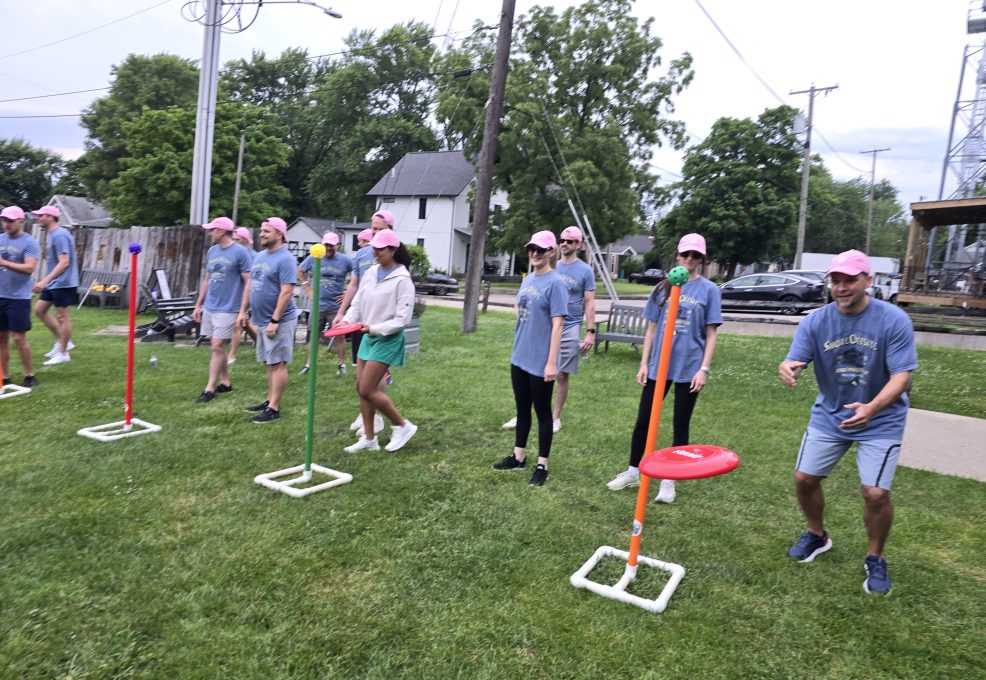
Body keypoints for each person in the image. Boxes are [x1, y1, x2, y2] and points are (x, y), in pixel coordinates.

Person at [778, 249, 917, 595]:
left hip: (881, 417)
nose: (841, 287)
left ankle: (875, 558)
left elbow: (902, 377)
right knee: (804, 479)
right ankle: (817, 535)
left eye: (850, 280)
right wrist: (789, 366)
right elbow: (795, 357)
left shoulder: (893, 320)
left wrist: (871, 407)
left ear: (867, 281)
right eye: (835, 281)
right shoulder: (815, 321)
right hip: (831, 415)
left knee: (875, 493)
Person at [606, 233, 722, 503]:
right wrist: (644, 363)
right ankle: (634, 471)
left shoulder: (709, 290)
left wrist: (703, 369)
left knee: (680, 424)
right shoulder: (662, 288)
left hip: (689, 367)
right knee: (644, 421)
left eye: (695, 256)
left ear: (701, 260)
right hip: (659, 366)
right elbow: (651, 328)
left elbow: (712, 333)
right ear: (677, 256)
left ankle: (670, 480)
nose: (690, 260)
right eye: (685, 255)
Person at [491, 230, 567, 486]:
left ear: (551, 252)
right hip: (520, 355)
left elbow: (558, 325)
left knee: (543, 413)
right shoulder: (528, 279)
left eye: (541, 249)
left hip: (540, 360)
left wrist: (551, 362)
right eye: (532, 249)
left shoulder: (556, 283)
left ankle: (542, 465)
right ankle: (518, 456)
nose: (535, 253)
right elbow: (520, 307)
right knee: (522, 409)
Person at [502, 226, 595, 434]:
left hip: (569, 325)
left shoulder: (585, 271)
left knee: (561, 374)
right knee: (531, 369)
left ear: (578, 245)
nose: (565, 243)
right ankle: (523, 413)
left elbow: (589, 302)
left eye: (570, 241)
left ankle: (555, 417)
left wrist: (590, 331)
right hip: (544, 325)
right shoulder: (550, 266)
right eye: (562, 240)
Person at [340, 228, 417, 453]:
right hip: (368, 336)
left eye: (380, 249)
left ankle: (402, 425)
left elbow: (402, 319)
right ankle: (370, 438)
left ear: (393, 250)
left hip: (387, 338)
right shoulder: (372, 272)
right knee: (360, 386)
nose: (375, 252)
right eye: (373, 248)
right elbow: (358, 302)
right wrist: (347, 321)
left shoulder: (403, 280)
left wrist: (373, 327)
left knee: (367, 388)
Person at [334, 212, 395, 436]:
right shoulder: (361, 255)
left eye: (379, 229)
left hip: (381, 323)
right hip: (360, 319)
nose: (374, 234)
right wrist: (342, 313)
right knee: (360, 371)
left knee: (376, 372)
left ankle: (377, 416)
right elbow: (353, 286)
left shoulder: (395, 254)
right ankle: (366, 411)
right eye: (373, 228)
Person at [239, 217, 298, 424]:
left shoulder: (286, 259)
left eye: (266, 231)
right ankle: (270, 400)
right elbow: (251, 285)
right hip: (262, 319)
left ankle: (274, 409)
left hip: (279, 320)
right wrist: (243, 311)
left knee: (278, 363)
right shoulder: (260, 256)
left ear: (279, 234)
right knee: (268, 362)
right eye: (262, 231)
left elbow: (287, 291)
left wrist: (275, 320)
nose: (261, 234)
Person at [191, 216, 252, 403]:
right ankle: (225, 383)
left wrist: (242, 310)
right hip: (211, 305)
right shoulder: (212, 251)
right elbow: (208, 279)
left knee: (217, 346)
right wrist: (198, 304)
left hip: (229, 307)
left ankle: (210, 388)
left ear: (222, 231)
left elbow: (248, 280)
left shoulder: (240, 252)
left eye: (212, 230)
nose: (210, 233)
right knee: (218, 347)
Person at [298, 231, 353, 376]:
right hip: (318, 305)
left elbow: (358, 274)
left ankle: (341, 365)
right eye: (326, 244)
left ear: (338, 245)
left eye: (331, 245)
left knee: (340, 336)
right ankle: (309, 364)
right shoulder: (314, 257)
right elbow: (300, 270)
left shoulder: (345, 261)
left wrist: (348, 293)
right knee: (314, 336)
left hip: (336, 306)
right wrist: (307, 287)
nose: (328, 248)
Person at [31, 206, 79, 366]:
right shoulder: (53, 234)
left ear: (50, 217)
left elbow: (64, 262)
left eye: (41, 215)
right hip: (55, 282)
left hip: (64, 283)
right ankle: (62, 342)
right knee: (39, 310)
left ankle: (63, 353)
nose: (38, 218)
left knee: (62, 316)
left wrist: (44, 280)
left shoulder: (59, 235)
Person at [0, 206, 40, 387]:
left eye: (10, 220)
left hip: (18, 297)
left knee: (18, 337)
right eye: (4, 220)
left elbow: (29, 268)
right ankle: (4, 377)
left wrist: (3, 262)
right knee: (2, 338)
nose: (6, 224)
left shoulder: (29, 243)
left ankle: (29, 375)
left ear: (21, 221)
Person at [227, 227, 258, 365]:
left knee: (238, 323)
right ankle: (261, 344)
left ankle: (231, 356)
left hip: (248, 294)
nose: (234, 242)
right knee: (244, 323)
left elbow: (253, 279)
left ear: (245, 240)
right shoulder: (234, 254)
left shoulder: (254, 257)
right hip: (235, 293)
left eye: (237, 240)